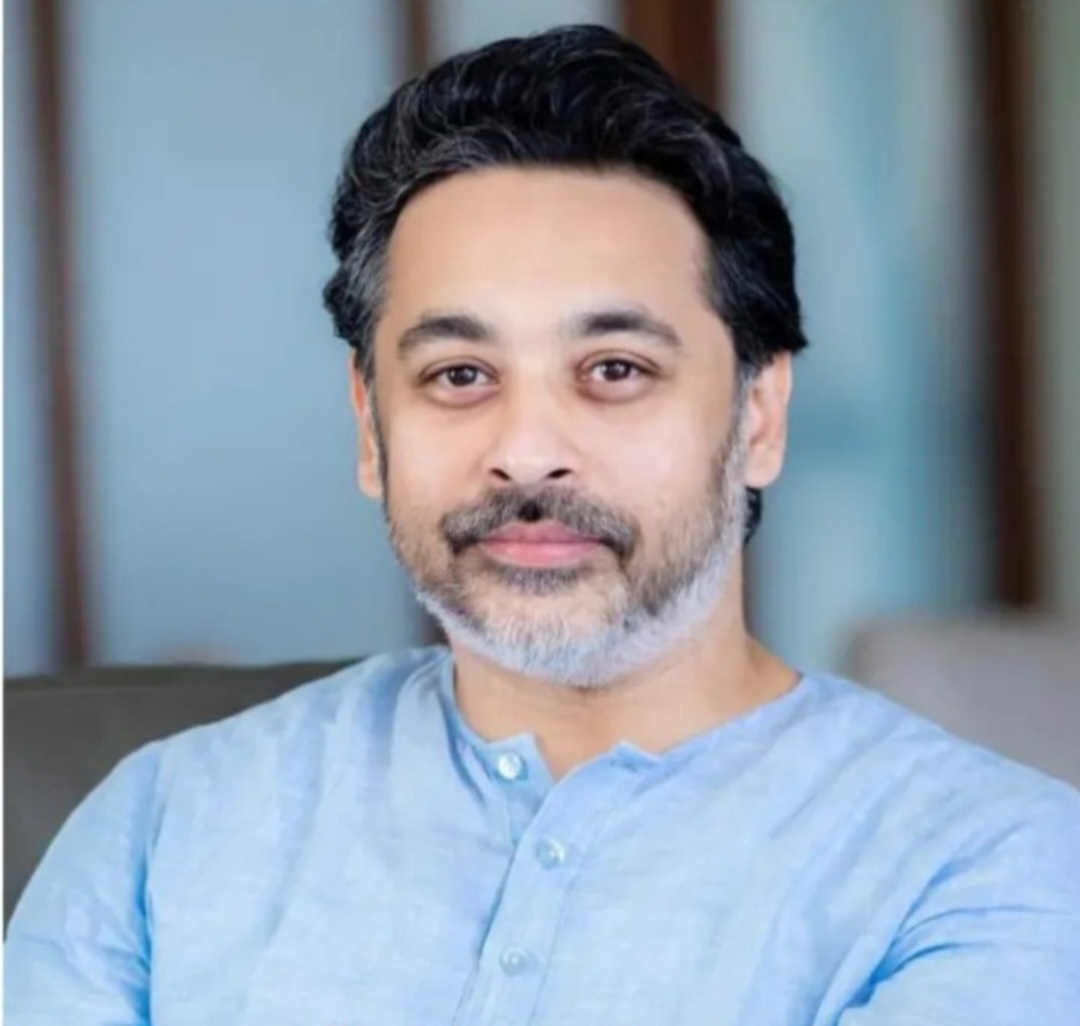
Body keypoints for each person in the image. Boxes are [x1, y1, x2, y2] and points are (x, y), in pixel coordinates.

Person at [7, 23, 1079, 1025]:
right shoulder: (163, 826)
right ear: (371, 428)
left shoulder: (987, 866)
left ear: (757, 416)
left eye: (614, 370)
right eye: (458, 374)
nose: (525, 451)